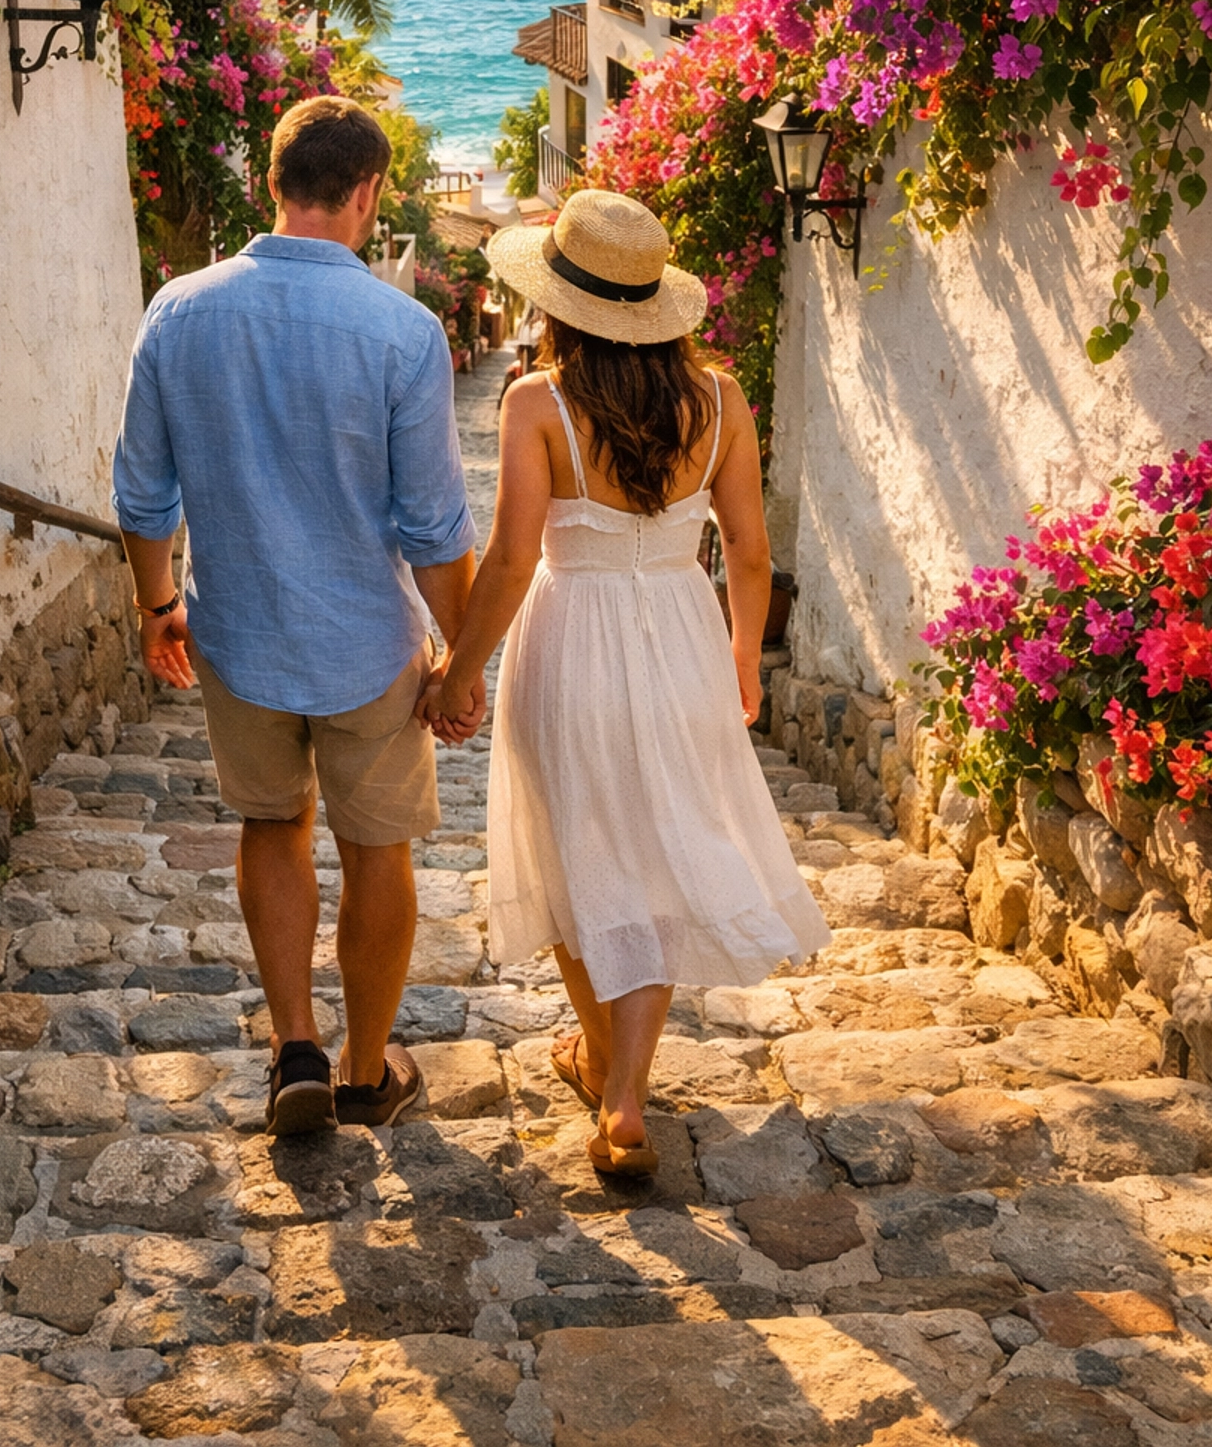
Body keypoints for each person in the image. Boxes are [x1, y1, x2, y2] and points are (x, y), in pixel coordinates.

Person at [426, 188, 830, 1177]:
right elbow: (747, 549)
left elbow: (515, 559)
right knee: (649, 866)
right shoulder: (722, 399)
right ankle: (622, 1091)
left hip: (570, 640)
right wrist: (742, 664)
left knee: (574, 855)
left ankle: (610, 1072)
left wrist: (458, 671)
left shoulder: (538, 402)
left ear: (561, 301)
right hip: (683, 641)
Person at [112, 96, 477, 1135]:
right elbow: (435, 526)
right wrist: (462, 654)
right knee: (377, 851)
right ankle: (366, 1068)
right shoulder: (406, 334)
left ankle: (294, 1046)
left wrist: (157, 604)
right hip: (369, 646)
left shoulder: (178, 311)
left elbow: (142, 496)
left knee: (271, 827)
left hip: (240, 634)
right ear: (366, 195)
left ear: (270, 182)